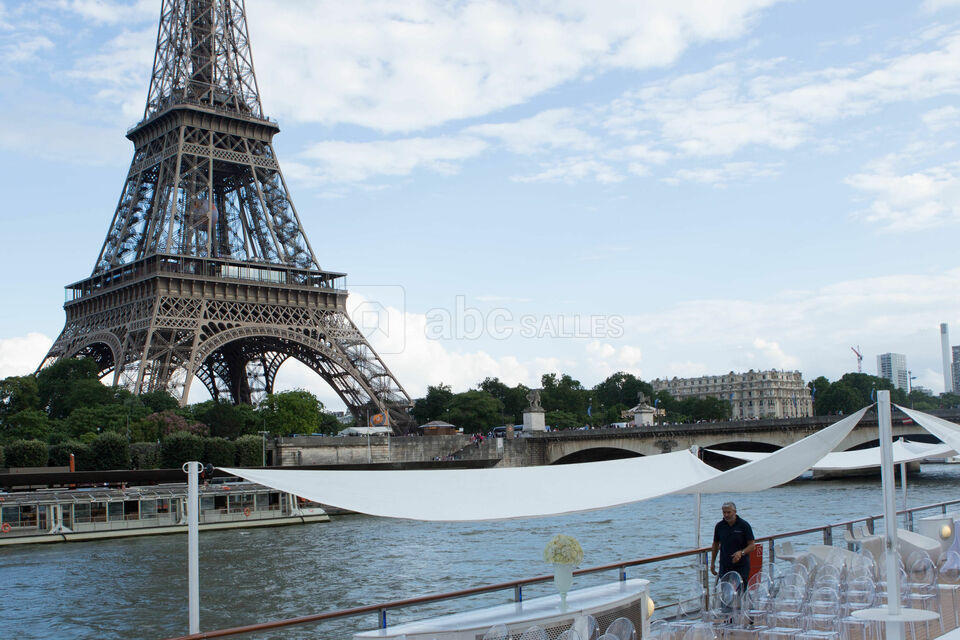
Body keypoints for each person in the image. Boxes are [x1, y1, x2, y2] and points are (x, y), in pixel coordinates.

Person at [711, 501, 755, 588]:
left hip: (741, 565)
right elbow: (715, 544)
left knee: (740, 592)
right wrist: (712, 563)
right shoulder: (719, 526)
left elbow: (752, 546)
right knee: (726, 593)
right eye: (724, 512)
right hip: (725, 565)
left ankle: (741, 601)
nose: (726, 515)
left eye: (729, 512)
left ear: (735, 512)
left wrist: (741, 553)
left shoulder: (744, 525)